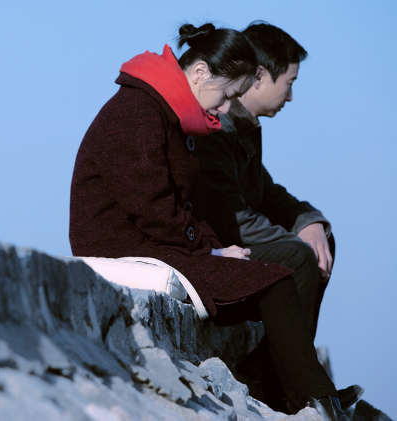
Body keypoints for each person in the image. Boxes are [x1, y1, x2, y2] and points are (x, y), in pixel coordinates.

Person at [69, 23, 347, 419]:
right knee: (278, 279)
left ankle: (305, 393)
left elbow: (175, 209)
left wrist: (215, 247)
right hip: (126, 246)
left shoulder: (164, 112)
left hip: (154, 242)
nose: (223, 110)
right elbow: (152, 208)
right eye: (225, 96)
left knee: (273, 278)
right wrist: (210, 249)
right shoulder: (138, 111)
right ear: (199, 73)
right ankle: (315, 399)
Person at [191, 21, 361, 412]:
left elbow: (264, 191)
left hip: (236, 232)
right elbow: (228, 214)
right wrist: (294, 241)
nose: (291, 96)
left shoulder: (246, 127)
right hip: (220, 243)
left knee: (319, 242)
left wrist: (308, 221)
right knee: (298, 256)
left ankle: (269, 372)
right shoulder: (219, 125)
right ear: (260, 76)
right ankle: (297, 389)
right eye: (289, 82)